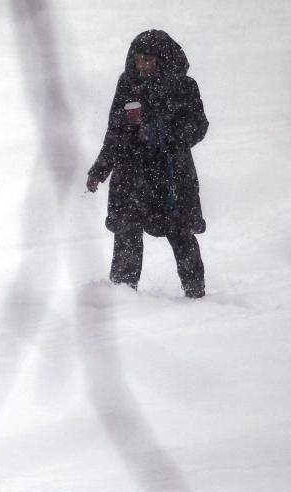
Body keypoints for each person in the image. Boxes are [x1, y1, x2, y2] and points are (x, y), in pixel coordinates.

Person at [86, 30, 209, 298]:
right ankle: (122, 294)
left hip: (170, 174)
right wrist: (99, 170)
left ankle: (196, 294)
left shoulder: (185, 86)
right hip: (132, 173)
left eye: (148, 61)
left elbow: (199, 126)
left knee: (180, 233)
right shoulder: (127, 84)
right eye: (138, 60)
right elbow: (115, 131)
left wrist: (165, 131)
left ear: (162, 60)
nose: (142, 66)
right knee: (127, 230)